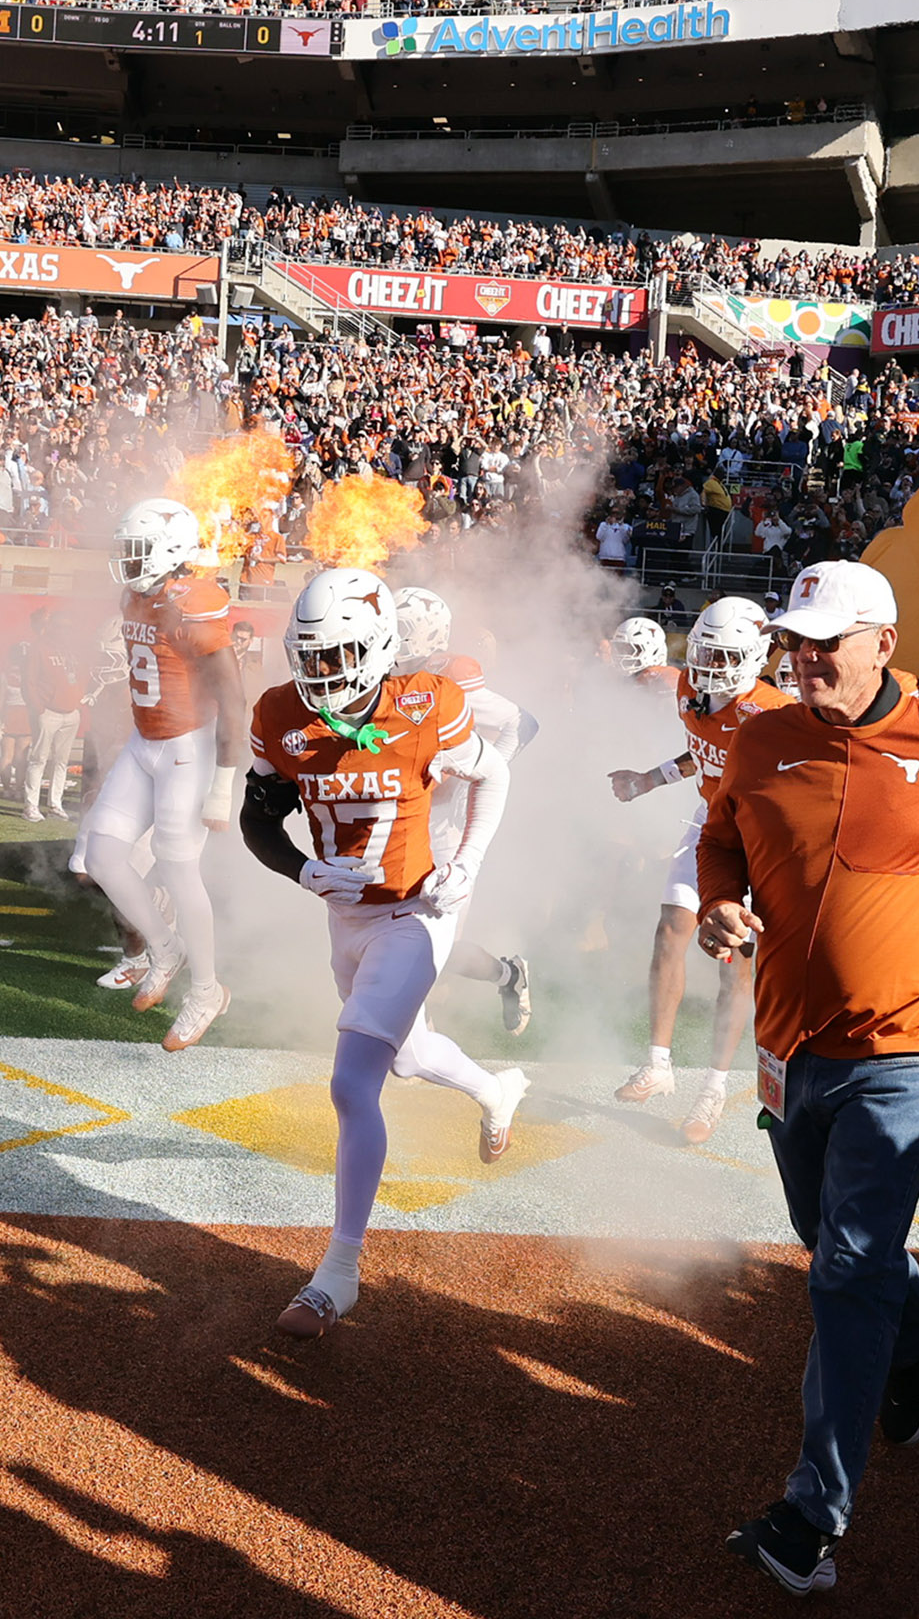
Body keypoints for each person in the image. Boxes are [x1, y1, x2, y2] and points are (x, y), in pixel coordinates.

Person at [697, 561, 919, 1597]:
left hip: (910, 1046)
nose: (804, 656)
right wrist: (722, 901)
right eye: (795, 640)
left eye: (825, 640)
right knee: (834, 1246)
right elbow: (719, 837)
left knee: (843, 1266)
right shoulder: (762, 737)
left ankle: (814, 1513)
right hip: (790, 1048)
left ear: (882, 643)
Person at [235, 567, 522, 1340]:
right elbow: (257, 820)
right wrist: (303, 870)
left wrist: (467, 864)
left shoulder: (427, 705)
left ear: (381, 646)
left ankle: (339, 1271)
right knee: (405, 1054)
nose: (323, 675)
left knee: (352, 1078)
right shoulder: (279, 712)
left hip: (416, 912)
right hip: (347, 917)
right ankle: (495, 1093)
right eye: (312, 657)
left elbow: (492, 778)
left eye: (340, 655)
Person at [607, 596, 791, 1142]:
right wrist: (648, 779)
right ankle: (659, 1064)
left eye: (725, 655)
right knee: (670, 931)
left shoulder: (776, 713)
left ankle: (712, 1088)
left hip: (759, 840)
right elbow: (703, 754)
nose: (710, 668)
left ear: (757, 656)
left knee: (734, 964)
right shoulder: (692, 690)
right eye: (706, 653)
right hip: (709, 823)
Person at [82, 498, 243, 1050]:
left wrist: (224, 780)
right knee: (103, 855)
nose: (127, 563)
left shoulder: (195, 602)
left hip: (188, 747)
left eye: (138, 551)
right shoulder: (133, 596)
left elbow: (233, 698)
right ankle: (164, 947)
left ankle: (206, 989)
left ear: (171, 553)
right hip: (144, 740)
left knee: (179, 869)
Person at [391, 586, 536, 1038]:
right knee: (393, 931)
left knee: (438, 943)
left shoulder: (451, 670)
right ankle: (416, 1035)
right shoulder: (380, 667)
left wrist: (483, 770)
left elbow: (521, 723)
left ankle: (506, 977)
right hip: (397, 812)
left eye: (399, 630)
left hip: (442, 823)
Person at [18, 606, 86, 822]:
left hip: (70, 712)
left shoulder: (72, 650)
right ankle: (31, 805)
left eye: (69, 628)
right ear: (53, 628)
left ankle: (55, 804)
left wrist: (78, 701)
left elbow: (80, 676)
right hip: (48, 712)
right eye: (63, 627)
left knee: (61, 761)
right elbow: (28, 680)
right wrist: (38, 706)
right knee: (38, 759)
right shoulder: (39, 648)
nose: (67, 632)